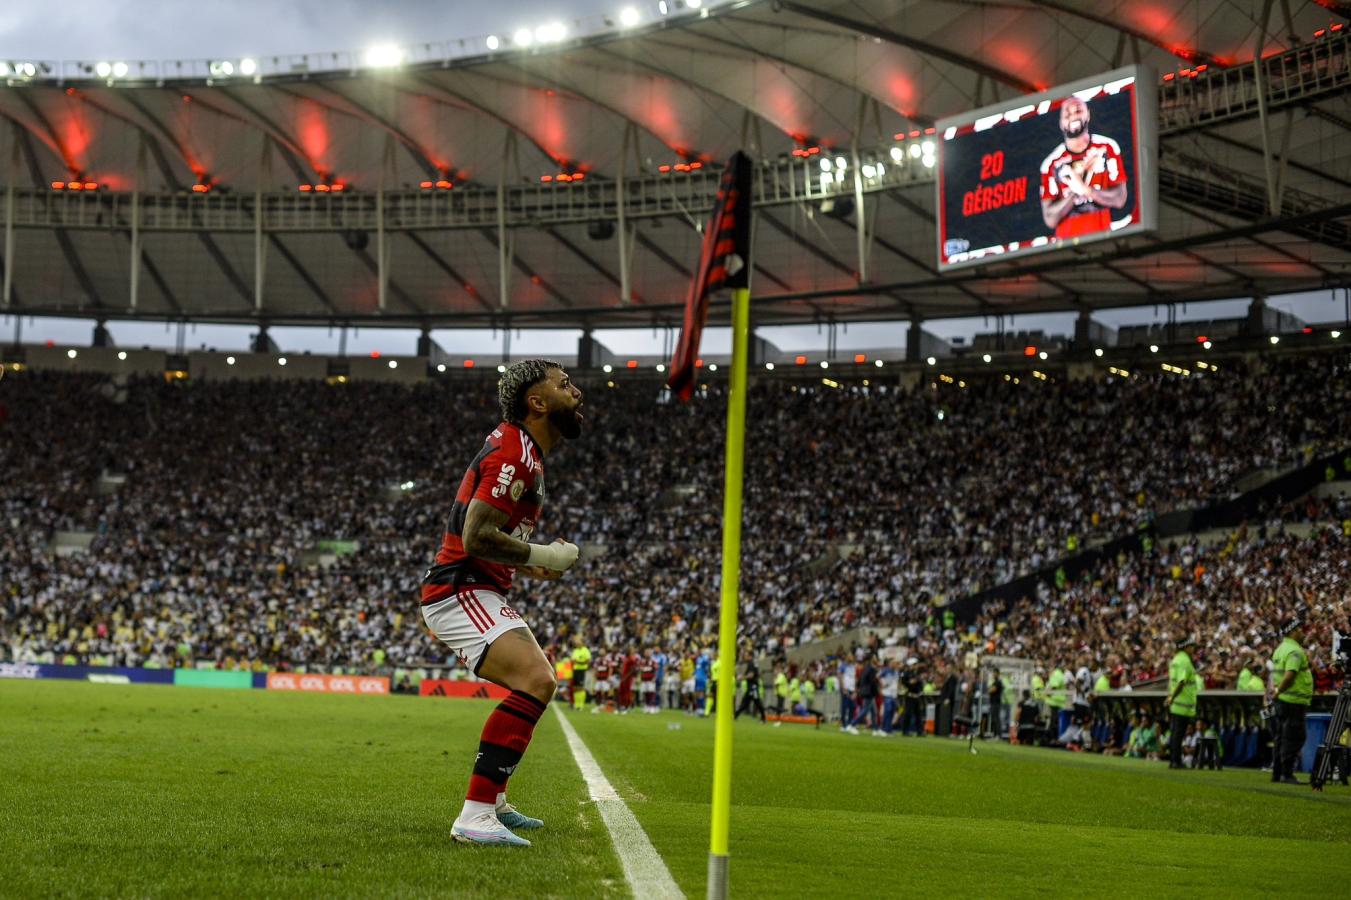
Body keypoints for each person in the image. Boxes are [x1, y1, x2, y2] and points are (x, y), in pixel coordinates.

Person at [418, 358, 584, 847]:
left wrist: (533, 563)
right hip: (457, 589)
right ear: (537, 402)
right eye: (564, 385)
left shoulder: (525, 451)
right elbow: (475, 536)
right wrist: (543, 553)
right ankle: (475, 814)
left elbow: (492, 539)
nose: (576, 392)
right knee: (537, 679)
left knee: (538, 680)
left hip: (477, 585)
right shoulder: (515, 452)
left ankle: (494, 803)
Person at [1038, 95, 1128, 239]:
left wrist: (1087, 190)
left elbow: (1120, 199)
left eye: (1079, 110)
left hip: (1103, 240)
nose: (1073, 115)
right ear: (1061, 123)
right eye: (1067, 113)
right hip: (1066, 248)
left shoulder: (1107, 147)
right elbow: (1050, 219)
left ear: (1088, 114)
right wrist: (1076, 192)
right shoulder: (1051, 163)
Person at [1268, 617, 1313, 785]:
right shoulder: (1294, 651)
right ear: (1293, 631)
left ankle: (1277, 773)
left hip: (1282, 701)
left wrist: (1277, 692)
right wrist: (1279, 690)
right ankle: (1287, 774)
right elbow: (1290, 673)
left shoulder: (1279, 649)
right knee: (1294, 737)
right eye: (1300, 629)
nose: (1302, 632)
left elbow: (1276, 675)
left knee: (1280, 737)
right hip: (1293, 700)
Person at [1166, 635, 1199, 770]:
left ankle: (1173, 760)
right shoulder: (1184, 661)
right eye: (1191, 646)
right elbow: (1181, 682)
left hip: (1176, 704)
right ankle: (1176, 762)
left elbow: (1172, 682)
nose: (1193, 649)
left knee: (1175, 734)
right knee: (1178, 735)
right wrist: (1172, 697)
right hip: (1182, 704)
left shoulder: (1175, 660)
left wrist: (1170, 697)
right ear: (1185, 647)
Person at [735, 653, 766, 722]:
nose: (744, 657)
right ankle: (735, 715)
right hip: (752, 686)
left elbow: (751, 675)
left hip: (752, 687)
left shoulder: (751, 664)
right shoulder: (753, 663)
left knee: (756, 702)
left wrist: (742, 678)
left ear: (750, 656)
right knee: (746, 702)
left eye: (746, 656)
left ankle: (763, 718)